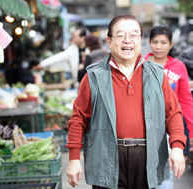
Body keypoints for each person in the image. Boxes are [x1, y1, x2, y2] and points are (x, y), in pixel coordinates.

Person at [66, 15, 186, 189]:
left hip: (148, 157)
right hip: (107, 157)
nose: (127, 40)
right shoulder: (94, 76)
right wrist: (74, 158)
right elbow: (78, 119)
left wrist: (176, 146)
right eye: (121, 35)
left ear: (140, 40)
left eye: (134, 35)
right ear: (109, 40)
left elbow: (173, 113)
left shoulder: (157, 75)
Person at [145, 25, 193, 189]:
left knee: (166, 175)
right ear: (149, 43)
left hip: (170, 128)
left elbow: (186, 101)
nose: (159, 47)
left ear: (171, 44)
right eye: (155, 42)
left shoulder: (179, 67)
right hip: (144, 129)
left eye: (163, 42)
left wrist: (191, 132)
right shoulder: (142, 64)